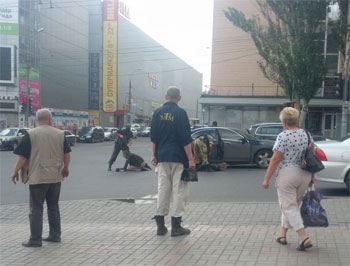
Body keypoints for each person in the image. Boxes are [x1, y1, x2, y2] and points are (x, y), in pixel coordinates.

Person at [10, 108, 71, 247]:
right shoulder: (60, 134)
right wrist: (65, 168)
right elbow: (67, 154)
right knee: (53, 206)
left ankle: (35, 239)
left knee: (36, 208)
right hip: (55, 176)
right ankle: (55, 235)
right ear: (50, 119)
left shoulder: (31, 134)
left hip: (38, 177)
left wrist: (15, 171)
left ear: (37, 120)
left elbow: (23, 157)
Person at [262, 107, 314, 251]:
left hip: (287, 174)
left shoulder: (283, 136)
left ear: (284, 121)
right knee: (293, 206)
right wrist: (312, 176)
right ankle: (282, 234)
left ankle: (304, 237)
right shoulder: (306, 134)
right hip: (305, 173)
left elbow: (275, 159)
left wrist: (266, 179)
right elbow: (312, 154)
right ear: (296, 120)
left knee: (288, 207)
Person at [150, 86, 195, 237]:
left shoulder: (157, 113)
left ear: (165, 96)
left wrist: (154, 155)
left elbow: (154, 137)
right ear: (179, 98)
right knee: (179, 190)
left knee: (163, 189)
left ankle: (160, 225)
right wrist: (190, 158)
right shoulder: (181, 113)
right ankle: (176, 225)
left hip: (162, 157)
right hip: (179, 158)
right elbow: (185, 138)